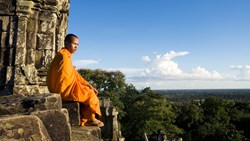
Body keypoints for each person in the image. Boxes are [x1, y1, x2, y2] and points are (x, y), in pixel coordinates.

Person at [46, 34, 104, 127]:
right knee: (90, 94)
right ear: (66, 43)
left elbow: (74, 74)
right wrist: (86, 87)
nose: (76, 46)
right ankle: (90, 119)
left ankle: (86, 118)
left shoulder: (66, 55)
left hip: (64, 86)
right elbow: (66, 78)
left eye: (77, 44)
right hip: (62, 89)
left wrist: (87, 84)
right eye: (74, 44)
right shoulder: (63, 56)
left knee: (88, 90)